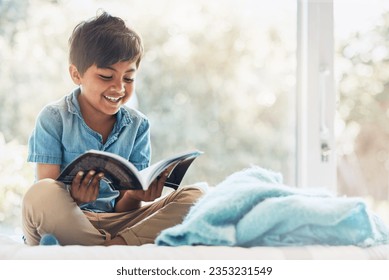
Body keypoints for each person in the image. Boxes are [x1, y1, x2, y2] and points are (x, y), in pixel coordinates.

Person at [22, 11, 203, 246]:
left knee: (197, 196)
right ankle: (113, 247)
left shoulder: (138, 125)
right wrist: (74, 198)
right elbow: (48, 190)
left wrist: (136, 195)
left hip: (118, 222)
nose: (119, 88)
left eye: (128, 79)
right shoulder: (54, 117)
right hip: (69, 220)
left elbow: (125, 208)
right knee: (42, 193)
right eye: (107, 76)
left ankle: (107, 246)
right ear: (76, 74)